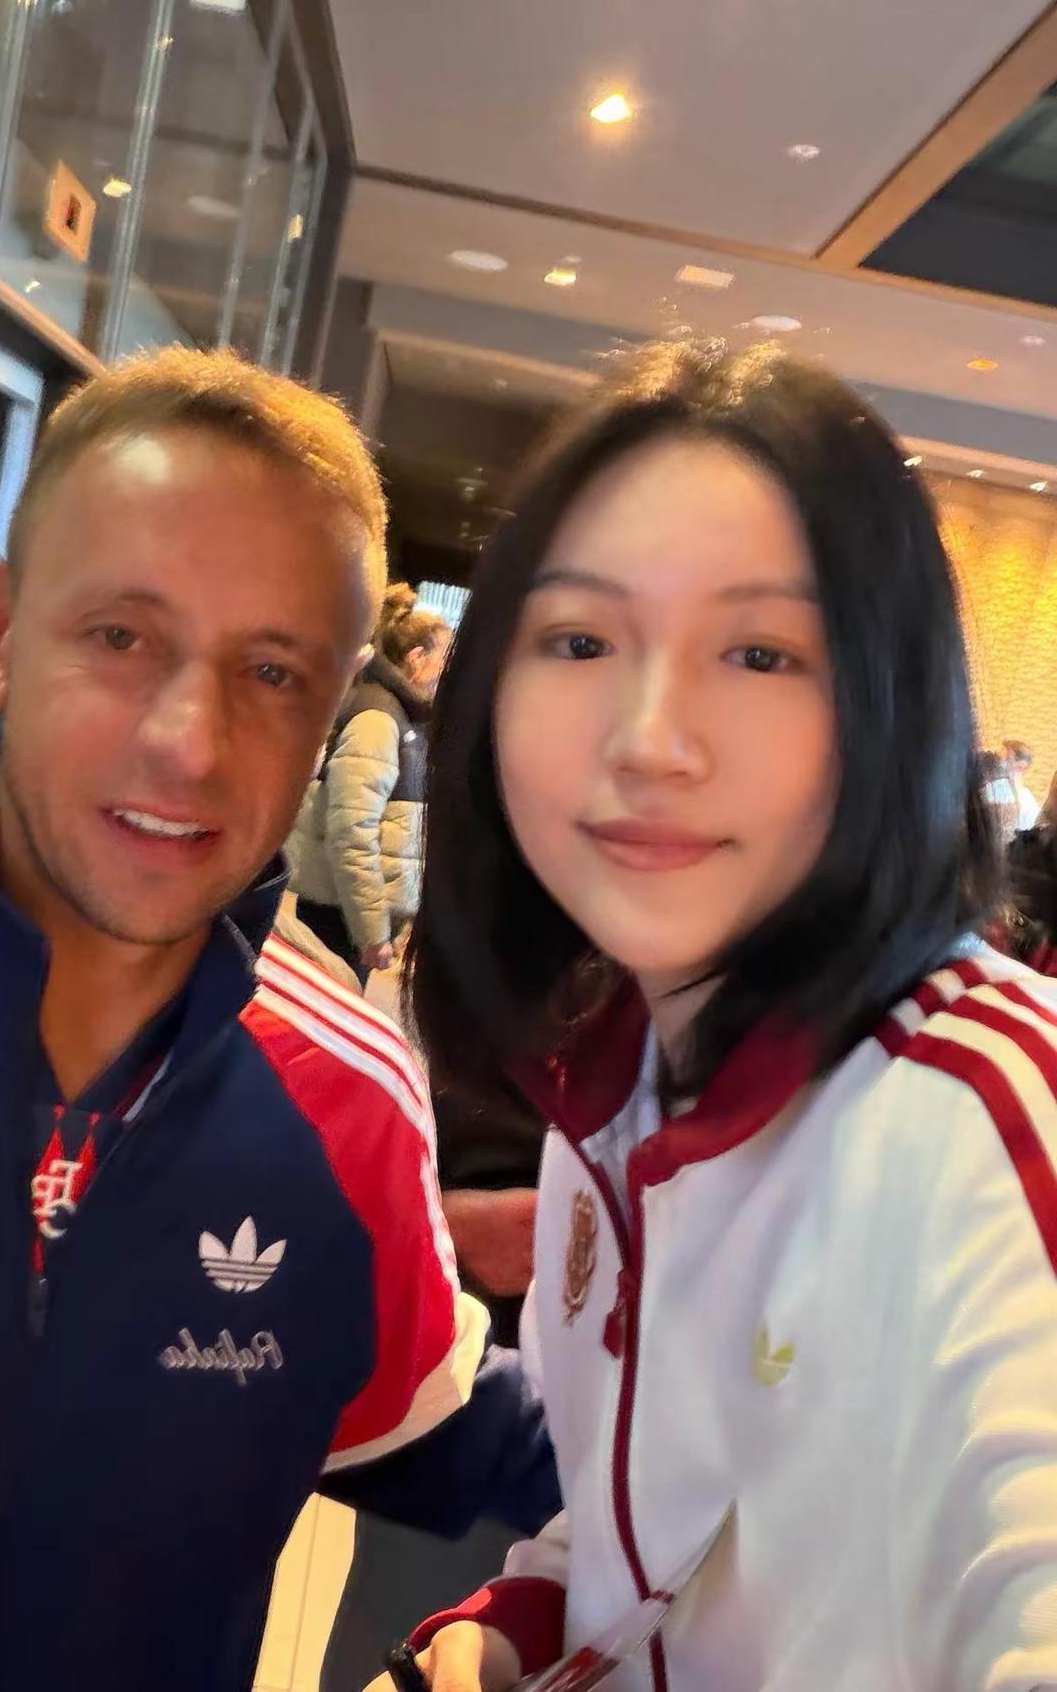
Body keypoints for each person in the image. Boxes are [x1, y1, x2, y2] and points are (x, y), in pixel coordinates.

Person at [0, 347, 558, 1692]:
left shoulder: (348, 1098)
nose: (189, 743)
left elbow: (470, 1435)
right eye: (121, 636)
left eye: (272, 671)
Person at [365, 343, 1057, 1692]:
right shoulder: (612, 1086)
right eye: (580, 640)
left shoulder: (989, 1130)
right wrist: (516, 1624)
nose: (649, 737)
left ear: (887, 704)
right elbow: (650, 1537)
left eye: (758, 652)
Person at [289, 582, 451, 980]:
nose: (449, 672)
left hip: (348, 916)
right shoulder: (378, 719)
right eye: (445, 658)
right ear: (417, 658)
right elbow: (351, 831)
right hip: (338, 920)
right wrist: (372, 932)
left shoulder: (406, 717)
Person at [1004, 737, 1041, 831]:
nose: (1000, 763)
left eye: (1006, 759)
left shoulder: (1026, 800)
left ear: (1021, 766)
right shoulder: (992, 787)